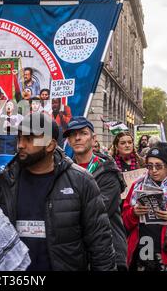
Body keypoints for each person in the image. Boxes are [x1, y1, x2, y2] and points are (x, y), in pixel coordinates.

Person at [0, 112, 116, 270]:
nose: (21, 144)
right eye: (19, 138)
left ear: (50, 145)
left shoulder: (82, 181)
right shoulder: (4, 181)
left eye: (29, 139)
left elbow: (100, 246)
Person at [63, 116, 127, 270]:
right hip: (77, 254)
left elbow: (99, 212)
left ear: (93, 139)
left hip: (109, 253)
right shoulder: (63, 170)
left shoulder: (108, 172)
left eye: (83, 133)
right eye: (73, 134)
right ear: (69, 141)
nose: (77, 138)